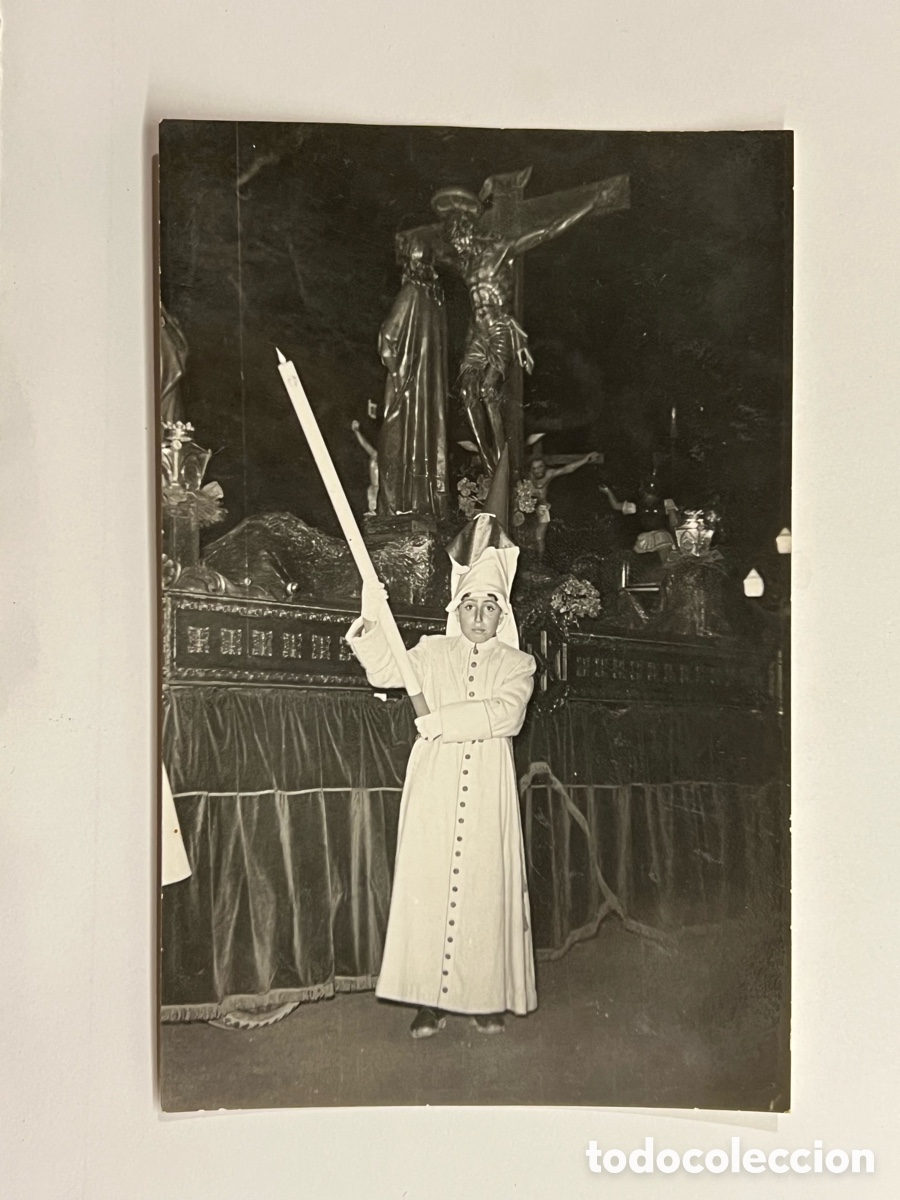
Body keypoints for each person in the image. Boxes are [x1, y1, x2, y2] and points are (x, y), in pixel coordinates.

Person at [346, 513, 537, 1037]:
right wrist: (370, 617)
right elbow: (387, 673)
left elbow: (507, 715)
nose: (479, 615)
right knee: (428, 883)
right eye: (470, 606)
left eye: (489, 608)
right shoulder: (431, 652)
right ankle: (425, 999)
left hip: (488, 789)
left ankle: (483, 997)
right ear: (458, 610)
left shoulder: (519, 664)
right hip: (435, 780)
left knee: (483, 885)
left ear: (503, 615)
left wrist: (442, 721)